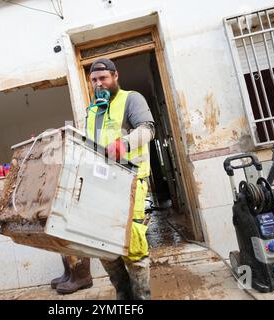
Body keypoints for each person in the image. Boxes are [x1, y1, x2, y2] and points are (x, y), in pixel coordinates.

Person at [85, 58, 155, 300]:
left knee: (133, 242)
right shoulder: (93, 110)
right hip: (103, 184)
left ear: (115, 76)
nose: (98, 84)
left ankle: (142, 298)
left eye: (103, 78)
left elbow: (148, 129)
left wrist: (124, 143)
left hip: (131, 180)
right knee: (103, 243)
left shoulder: (131, 98)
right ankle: (123, 296)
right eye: (94, 80)